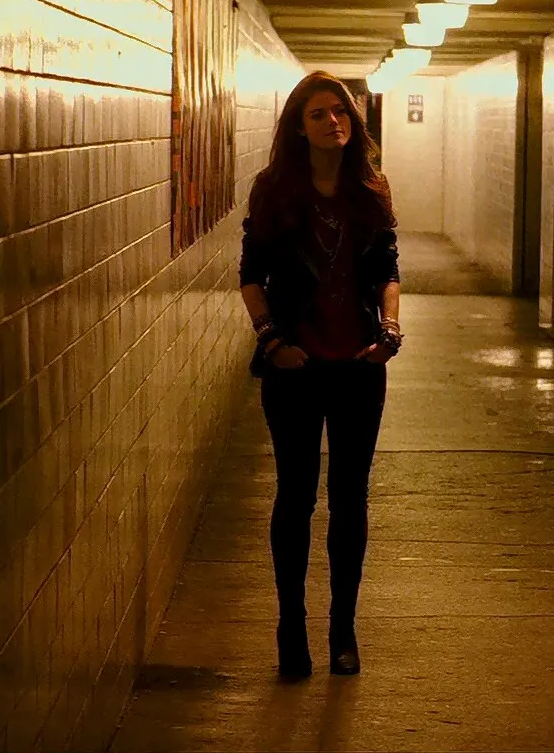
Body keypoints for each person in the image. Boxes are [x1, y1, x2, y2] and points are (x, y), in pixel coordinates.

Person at [239, 71, 405, 679]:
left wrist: (389, 332)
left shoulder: (370, 190)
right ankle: (291, 628)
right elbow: (251, 277)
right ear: (298, 127)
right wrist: (272, 341)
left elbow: (388, 270)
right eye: (318, 114)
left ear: (353, 122)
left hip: (359, 365)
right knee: (296, 496)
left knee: (350, 499)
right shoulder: (275, 190)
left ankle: (343, 629)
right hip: (297, 367)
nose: (332, 122)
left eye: (340, 112)